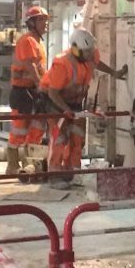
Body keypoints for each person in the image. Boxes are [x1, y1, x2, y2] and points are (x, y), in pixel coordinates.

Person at [39, 28, 97, 190]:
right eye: (86, 53)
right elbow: (53, 93)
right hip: (55, 101)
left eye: (90, 52)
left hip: (74, 102)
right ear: (76, 49)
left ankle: (73, 172)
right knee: (59, 137)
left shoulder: (90, 55)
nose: (89, 56)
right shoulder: (62, 63)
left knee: (77, 136)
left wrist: (115, 72)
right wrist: (65, 110)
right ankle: (54, 175)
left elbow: (98, 63)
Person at [6, 5, 49, 175]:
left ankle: (28, 166)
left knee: (36, 130)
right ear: (32, 23)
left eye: (45, 21)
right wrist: (41, 84)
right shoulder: (28, 41)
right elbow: (30, 65)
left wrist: (47, 84)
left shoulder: (37, 42)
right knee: (19, 131)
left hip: (34, 92)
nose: (45, 24)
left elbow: (39, 67)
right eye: (41, 20)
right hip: (23, 93)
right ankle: (12, 166)